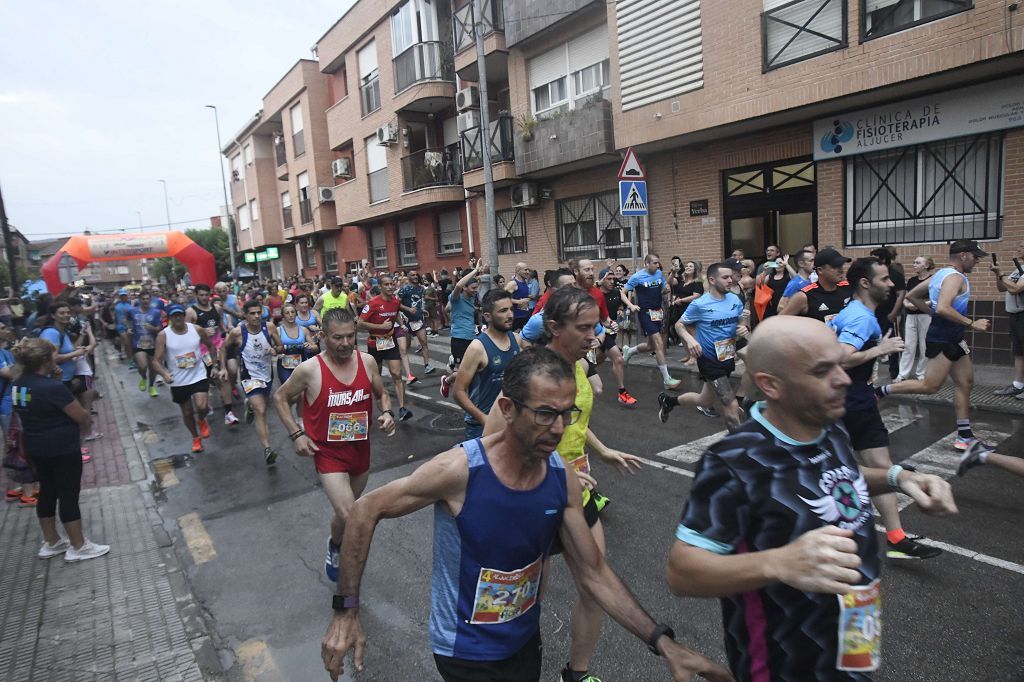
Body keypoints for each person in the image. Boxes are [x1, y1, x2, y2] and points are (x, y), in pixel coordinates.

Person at [319, 346, 730, 682]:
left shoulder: (561, 479)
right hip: (464, 650)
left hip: (523, 641)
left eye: (566, 414)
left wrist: (663, 641)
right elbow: (364, 510)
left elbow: (592, 572)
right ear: (508, 408)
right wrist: (346, 611)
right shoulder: (460, 471)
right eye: (545, 413)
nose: (558, 428)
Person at [665, 315, 957, 681]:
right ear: (771, 385)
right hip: (783, 666)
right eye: (822, 371)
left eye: (839, 363)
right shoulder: (734, 461)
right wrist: (779, 563)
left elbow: (834, 481)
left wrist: (899, 478)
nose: (842, 379)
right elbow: (681, 572)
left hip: (851, 643)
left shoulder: (826, 426)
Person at [487, 287, 643, 682]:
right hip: (532, 493)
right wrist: (556, 470)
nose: (594, 335)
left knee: (596, 585)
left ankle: (577, 673)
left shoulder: (581, 364)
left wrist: (603, 451)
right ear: (555, 327)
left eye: (596, 326)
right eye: (584, 327)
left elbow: (572, 420)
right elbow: (492, 437)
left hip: (578, 492)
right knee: (527, 599)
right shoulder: (531, 371)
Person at [273, 308, 396, 582]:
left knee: (344, 516)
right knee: (352, 515)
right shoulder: (309, 370)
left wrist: (387, 413)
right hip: (328, 455)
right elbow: (280, 398)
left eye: (350, 337)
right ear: (323, 336)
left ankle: (335, 544)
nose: (345, 344)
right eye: (337, 338)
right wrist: (296, 434)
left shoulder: (368, 362)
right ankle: (350, 584)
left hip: (360, 451)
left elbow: (382, 394)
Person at [827, 258, 939, 560]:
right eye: (885, 279)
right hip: (845, 401)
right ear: (865, 283)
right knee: (839, 471)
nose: (892, 285)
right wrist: (880, 350)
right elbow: (841, 356)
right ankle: (839, 535)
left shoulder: (860, 313)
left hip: (857, 398)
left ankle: (895, 537)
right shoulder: (860, 317)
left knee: (881, 468)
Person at [877, 240, 992, 450]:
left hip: (954, 338)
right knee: (930, 386)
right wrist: (972, 323)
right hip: (943, 338)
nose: (977, 261)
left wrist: (933, 313)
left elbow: (913, 296)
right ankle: (880, 391)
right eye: (975, 257)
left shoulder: (940, 274)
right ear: (963, 255)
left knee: (966, 382)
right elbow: (944, 308)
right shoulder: (955, 277)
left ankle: (964, 437)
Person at [13, 338, 111, 562]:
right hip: (61, 446)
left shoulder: (19, 383)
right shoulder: (51, 387)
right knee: (68, 493)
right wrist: (86, 413)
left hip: (35, 445)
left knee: (47, 491)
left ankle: (52, 541)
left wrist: (55, 381)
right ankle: (78, 546)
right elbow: (80, 415)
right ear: (46, 359)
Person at [658, 262, 748, 431]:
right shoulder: (700, 304)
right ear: (712, 280)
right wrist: (691, 340)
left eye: (731, 277)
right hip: (708, 358)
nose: (730, 280)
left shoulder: (734, 299)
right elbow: (679, 325)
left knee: (704, 400)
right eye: (725, 277)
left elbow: (740, 320)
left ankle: (669, 401)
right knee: (730, 402)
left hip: (727, 355)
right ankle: (738, 448)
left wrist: (745, 327)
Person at [219, 300, 284, 465]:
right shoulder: (237, 332)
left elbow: (281, 347)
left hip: (267, 375)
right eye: (252, 313)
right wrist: (223, 367)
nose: (256, 316)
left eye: (258, 312)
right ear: (245, 315)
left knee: (260, 406)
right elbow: (224, 348)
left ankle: (249, 404)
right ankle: (267, 449)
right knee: (261, 410)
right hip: (249, 376)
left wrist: (275, 350)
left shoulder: (268, 327)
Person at [452, 289, 522, 440]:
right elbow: (458, 392)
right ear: (487, 317)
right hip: (481, 427)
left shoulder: (516, 339)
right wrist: (484, 419)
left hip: (511, 422)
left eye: (511, 309)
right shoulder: (477, 347)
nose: (510, 315)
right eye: (503, 311)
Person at [152, 304, 218, 454]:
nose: (178, 318)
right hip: (178, 380)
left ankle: (201, 420)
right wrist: (164, 373)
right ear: (169, 318)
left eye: (180, 314)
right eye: (174, 315)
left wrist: (214, 365)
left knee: (202, 406)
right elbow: (156, 361)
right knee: (187, 412)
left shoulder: (196, 329)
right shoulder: (164, 335)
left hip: (198, 375)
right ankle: (195, 438)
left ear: (184, 315)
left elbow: (211, 346)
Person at [621, 253, 681, 390]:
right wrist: (631, 305)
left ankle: (629, 351)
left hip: (657, 312)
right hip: (645, 313)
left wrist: (670, 278)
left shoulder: (659, 273)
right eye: (654, 263)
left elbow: (665, 288)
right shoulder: (637, 277)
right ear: (646, 264)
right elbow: (623, 293)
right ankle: (667, 379)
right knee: (659, 343)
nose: (657, 265)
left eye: (658, 262)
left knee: (651, 346)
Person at [357, 274, 412, 423]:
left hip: (389, 341)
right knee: (376, 377)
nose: (389, 287)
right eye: (386, 285)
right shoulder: (373, 303)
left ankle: (402, 408)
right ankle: (384, 408)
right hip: (375, 343)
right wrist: (379, 327)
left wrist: (401, 324)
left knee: (396, 373)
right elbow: (360, 323)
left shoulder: (395, 301)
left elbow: (395, 313)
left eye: (391, 284)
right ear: (380, 287)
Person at [439, 261, 484, 398]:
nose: (475, 290)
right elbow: (458, 285)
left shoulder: (470, 298)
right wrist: (475, 270)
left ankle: (471, 396)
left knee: (476, 368)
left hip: (472, 338)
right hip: (459, 339)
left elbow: (446, 309)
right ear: (464, 287)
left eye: (477, 287)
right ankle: (447, 381)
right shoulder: (456, 297)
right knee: (463, 372)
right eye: (473, 288)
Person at [596, 267, 638, 406]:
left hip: (611, 330)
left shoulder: (616, 292)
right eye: (608, 278)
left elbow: (620, 304)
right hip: (598, 331)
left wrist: (622, 310)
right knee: (618, 358)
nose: (612, 281)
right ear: (601, 280)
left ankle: (582, 374)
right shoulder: (595, 294)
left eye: (613, 278)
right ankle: (622, 392)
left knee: (598, 359)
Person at [276, 303, 319, 427]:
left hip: (300, 365)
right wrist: (278, 352)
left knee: (301, 393)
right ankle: (286, 408)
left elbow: (315, 347)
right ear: (283, 316)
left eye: (292, 312)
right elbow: (274, 348)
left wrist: (309, 346)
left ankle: (300, 419)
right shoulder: (279, 330)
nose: (290, 315)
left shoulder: (303, 329)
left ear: (296, 314)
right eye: (287, 313)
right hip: (285, 366)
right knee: (290, 393)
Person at [779, 248, 851, 322]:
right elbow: (779, 322)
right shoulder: (804, 297)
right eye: (835, 266)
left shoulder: (849, 288)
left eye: (841, 266)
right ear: (820, 270)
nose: (841, 270)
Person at [895, 256, 935, 383]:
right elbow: (907, 296)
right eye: (914, 262)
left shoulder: (932, 280)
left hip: (925, 315)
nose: (914, 265)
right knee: (908, 346)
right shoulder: (912, 280)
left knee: (924, 346)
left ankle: (921, 373)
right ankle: (902, 374)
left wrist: (919, 305)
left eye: (918, 263)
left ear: (926, 265)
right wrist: (907, 304)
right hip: (911, 316)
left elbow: (934, 299)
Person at [992, 242, 1024, 396]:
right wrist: (998, 274)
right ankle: (1018, 385)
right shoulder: (1019, 269)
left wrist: (1002, 274)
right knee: (1019, 351)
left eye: (1022, 246)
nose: (1019, 248)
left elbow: (1015, 289)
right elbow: (1002, 287)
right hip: (1015, 315)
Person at [396, 270, 436, 378]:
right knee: (406, 346)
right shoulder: (404, 289)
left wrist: (422, 310)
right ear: (408, 277)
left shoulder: (420, 288)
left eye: (416, 275)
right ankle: (399, 367)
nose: (415, 277)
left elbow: (419, 302)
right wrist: (408, 309)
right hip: (406, 320)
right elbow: (396, 304)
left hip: (417, 319)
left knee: (424, 342)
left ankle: (427, 365)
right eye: (412, 275)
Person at [128, 292, 163, 397]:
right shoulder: (133, 311)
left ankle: (151, 386)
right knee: (143, 366)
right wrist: (129, 329)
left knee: (153, 368)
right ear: (139, 300)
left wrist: (152, 328)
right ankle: (143, 377)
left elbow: (159, 328)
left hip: (152, 344)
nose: (145, 301)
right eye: (143, 299)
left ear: (150, 300)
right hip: (138, 343)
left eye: (147, 299)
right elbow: (127, 321)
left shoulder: (156, 312)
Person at [509, 262, 534, 331]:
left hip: (525, 315)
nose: (528, 272)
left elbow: (520, 294)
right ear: (518, 271)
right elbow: (503, 297)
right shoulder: (513, 283)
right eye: (525, 270)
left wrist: (529, 297)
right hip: (516, 317)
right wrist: (518, 301)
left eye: (528, 270)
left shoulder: (524, 282)